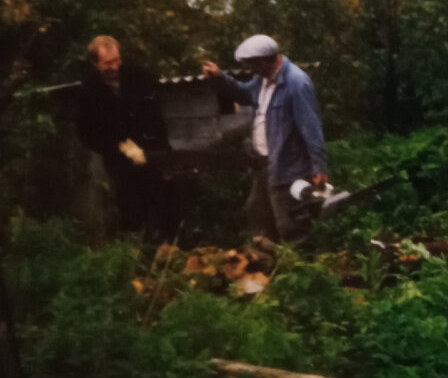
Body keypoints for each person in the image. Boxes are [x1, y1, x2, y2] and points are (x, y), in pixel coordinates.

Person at [201, 35, 328, 241]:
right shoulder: (261, 81)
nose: (250, 70)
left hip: (289, 168)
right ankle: (267, 263)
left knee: (290, 223)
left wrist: (319, 167)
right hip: (263, 165)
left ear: (263, 61)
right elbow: (243, 94)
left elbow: (311, 127)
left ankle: (302, 267)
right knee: (256, 213)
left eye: (251, 65)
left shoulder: (296, 83)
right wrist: (219, 78)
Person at [76, 35, 179, 240]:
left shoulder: (138, 76)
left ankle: (168, 248)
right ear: (95, 63)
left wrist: (161, 151)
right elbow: (86, 133)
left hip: (151, 153)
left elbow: (156, 116)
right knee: (131, 209)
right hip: (120, 162)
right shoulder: (88, 91)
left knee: (163, 204)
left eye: (116, 60)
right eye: (108, 63)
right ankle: (135, 252)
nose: (114, 66)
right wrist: (119, 147)